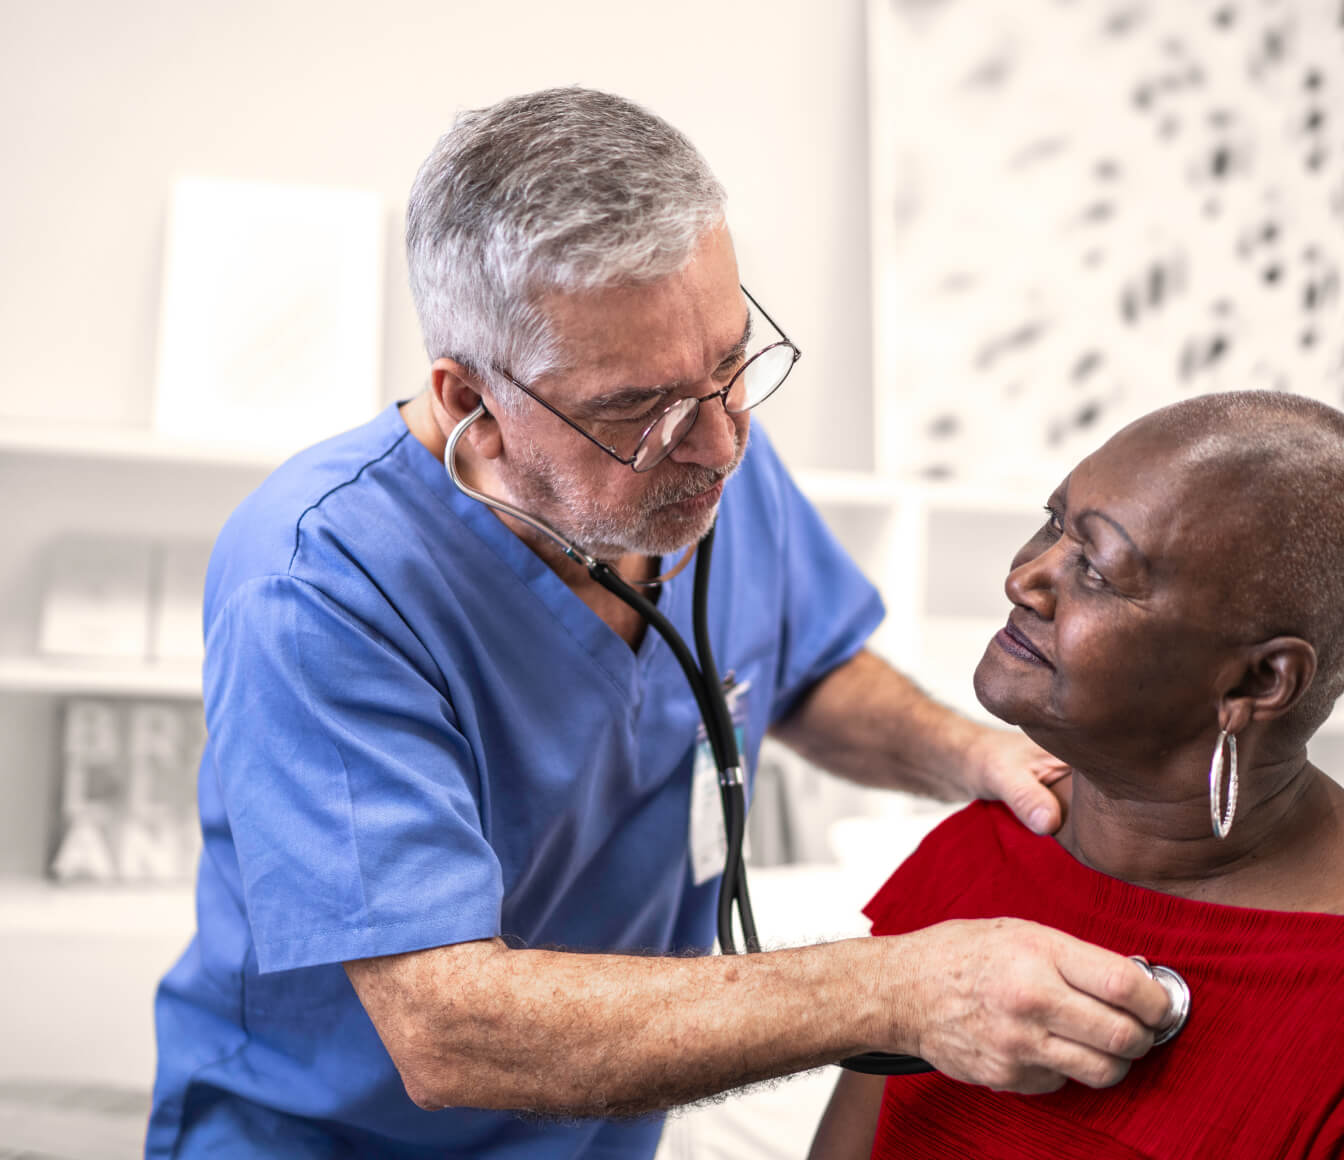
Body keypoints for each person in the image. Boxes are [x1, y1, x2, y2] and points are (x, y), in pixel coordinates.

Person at [144, 87, 1173, 1159]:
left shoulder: (708, 458)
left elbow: (806, 669)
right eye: (643, 408)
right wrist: (899, 988)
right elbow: (446, 1027)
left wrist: (975, 755)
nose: (722, 442)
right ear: (469, 403)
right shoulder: (321, 582)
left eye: (732, 363)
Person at [809, 390, 1344, 1160]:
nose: (1026, 578)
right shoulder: (987, 847)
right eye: (1055, 523)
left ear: (1259, 683)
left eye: (1098, 568)